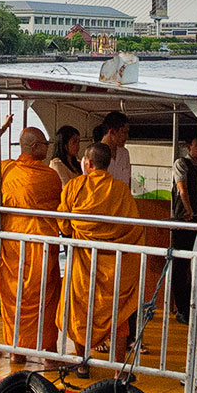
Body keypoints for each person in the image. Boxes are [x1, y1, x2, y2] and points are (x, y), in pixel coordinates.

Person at [56, 142, 143, 370]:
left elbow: (64, 225)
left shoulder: (75, 186)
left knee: (79, 309)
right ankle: (118, 369)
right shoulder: (121, 190)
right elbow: (134, 229)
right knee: (118, 314)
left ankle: (83, 364)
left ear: (89, 163)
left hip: (84, 260)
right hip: (115, 264)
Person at [0, 127, 64, 361]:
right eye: (45, 143)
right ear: (35, 148)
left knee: (14, 297)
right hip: (40, 246)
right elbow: (58, 207)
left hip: (12, 245)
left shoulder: (5, 170)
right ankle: (49, 352)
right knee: (45, 297)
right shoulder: (49, 176)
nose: (48, 147)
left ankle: (17, 351)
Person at [170, 130, 197, 324]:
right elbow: (183, 190)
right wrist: (189, 212)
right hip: (183, 222)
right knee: (180, 267)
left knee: (196, 265)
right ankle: (182, 308)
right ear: (189, 146)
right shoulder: (181, 164)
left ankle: (192, 306)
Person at [98, 111, 132, 191]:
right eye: (124, 132)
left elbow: (128, 182)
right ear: (112, 132)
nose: (127, 137)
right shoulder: (93, 154)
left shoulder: (124, 153)